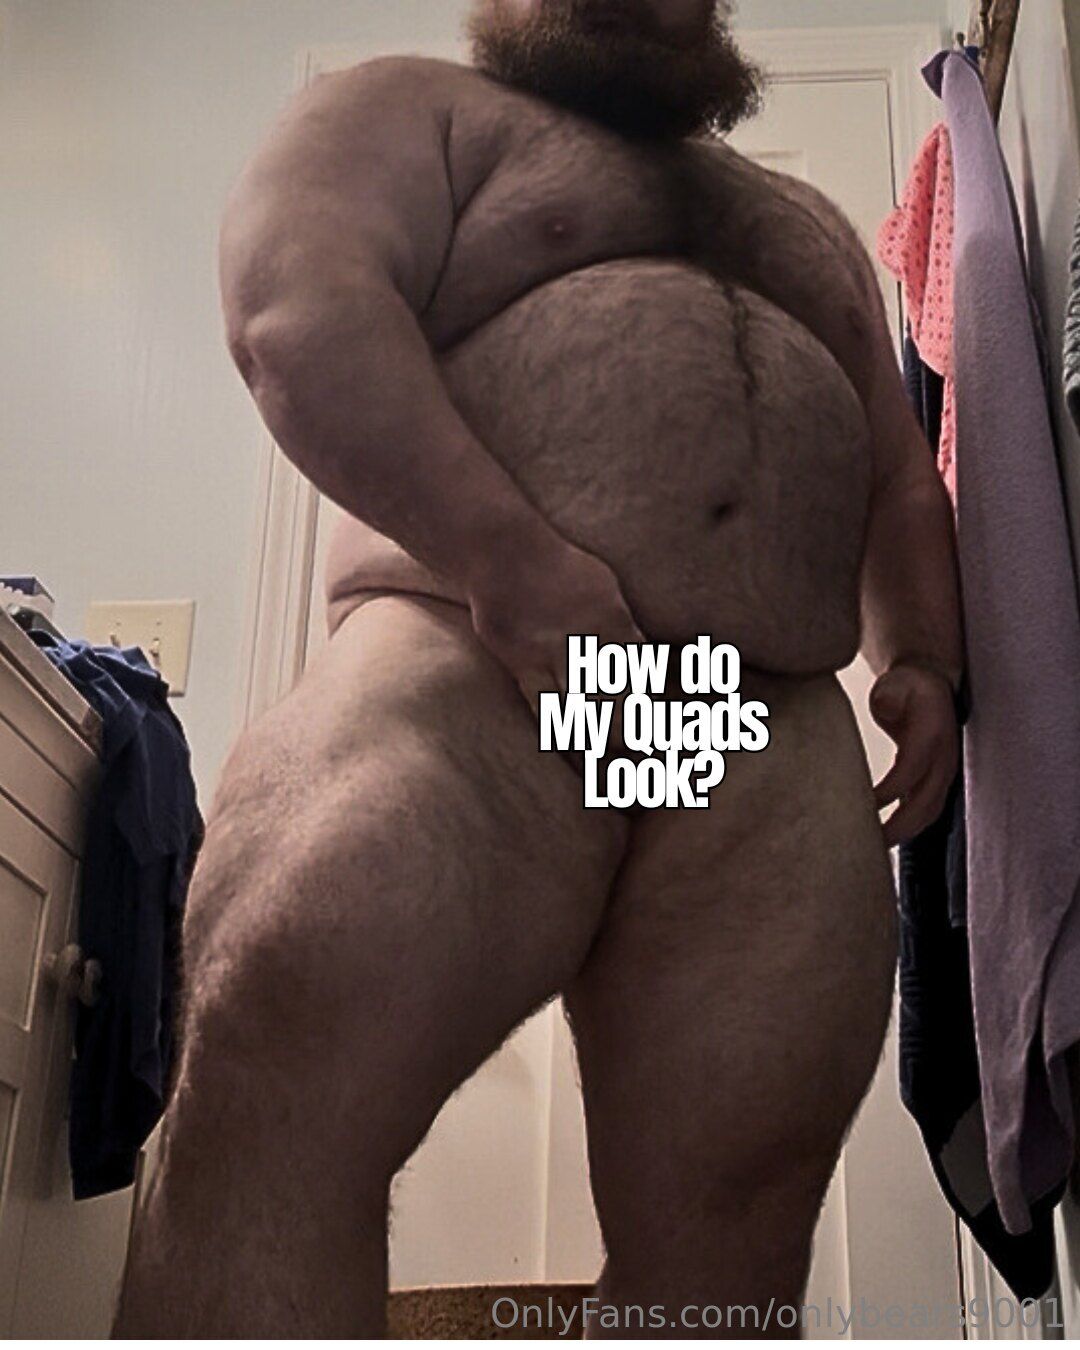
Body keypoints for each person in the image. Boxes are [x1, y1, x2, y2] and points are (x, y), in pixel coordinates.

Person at [115, 0, 962, 1336]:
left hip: (763, 732)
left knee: (739, 1213)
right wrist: (505, 558)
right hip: (465, 661)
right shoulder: (414, 109)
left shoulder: (805, 225)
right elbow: (294, 303)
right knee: (282, 1056)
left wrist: (918, 652)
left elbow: (900, 472)